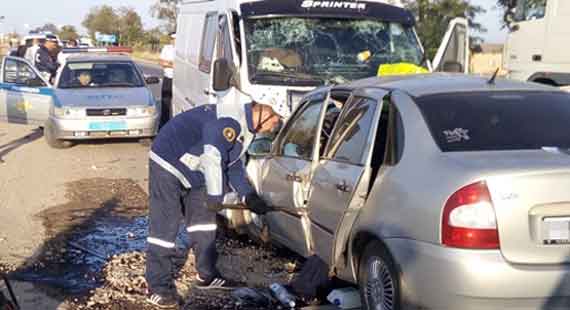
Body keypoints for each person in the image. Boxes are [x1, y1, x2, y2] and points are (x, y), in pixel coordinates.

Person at [145, 93, 282, 308]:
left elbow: (233, 165)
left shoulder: (245, 129)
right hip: (168, 163)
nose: (275, 127)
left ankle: (207, 275)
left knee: (204, 224)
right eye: (277, 120)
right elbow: (212, 156)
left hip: (197, 170)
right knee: (166, 226)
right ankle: (158, 287)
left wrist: (249, 196)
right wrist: (215, 196)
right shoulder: (230, 121)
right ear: (265, 112)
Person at [158, 32, 176, 127]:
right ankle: (163, 124)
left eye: (175, 39)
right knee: (165, 102)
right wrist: (172, 64)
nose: (174, 41)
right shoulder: (167, 48)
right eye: (172, 39)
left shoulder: (181, 49)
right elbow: (161, 62)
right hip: (168, 78)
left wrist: (168, 63)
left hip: (178, 80)